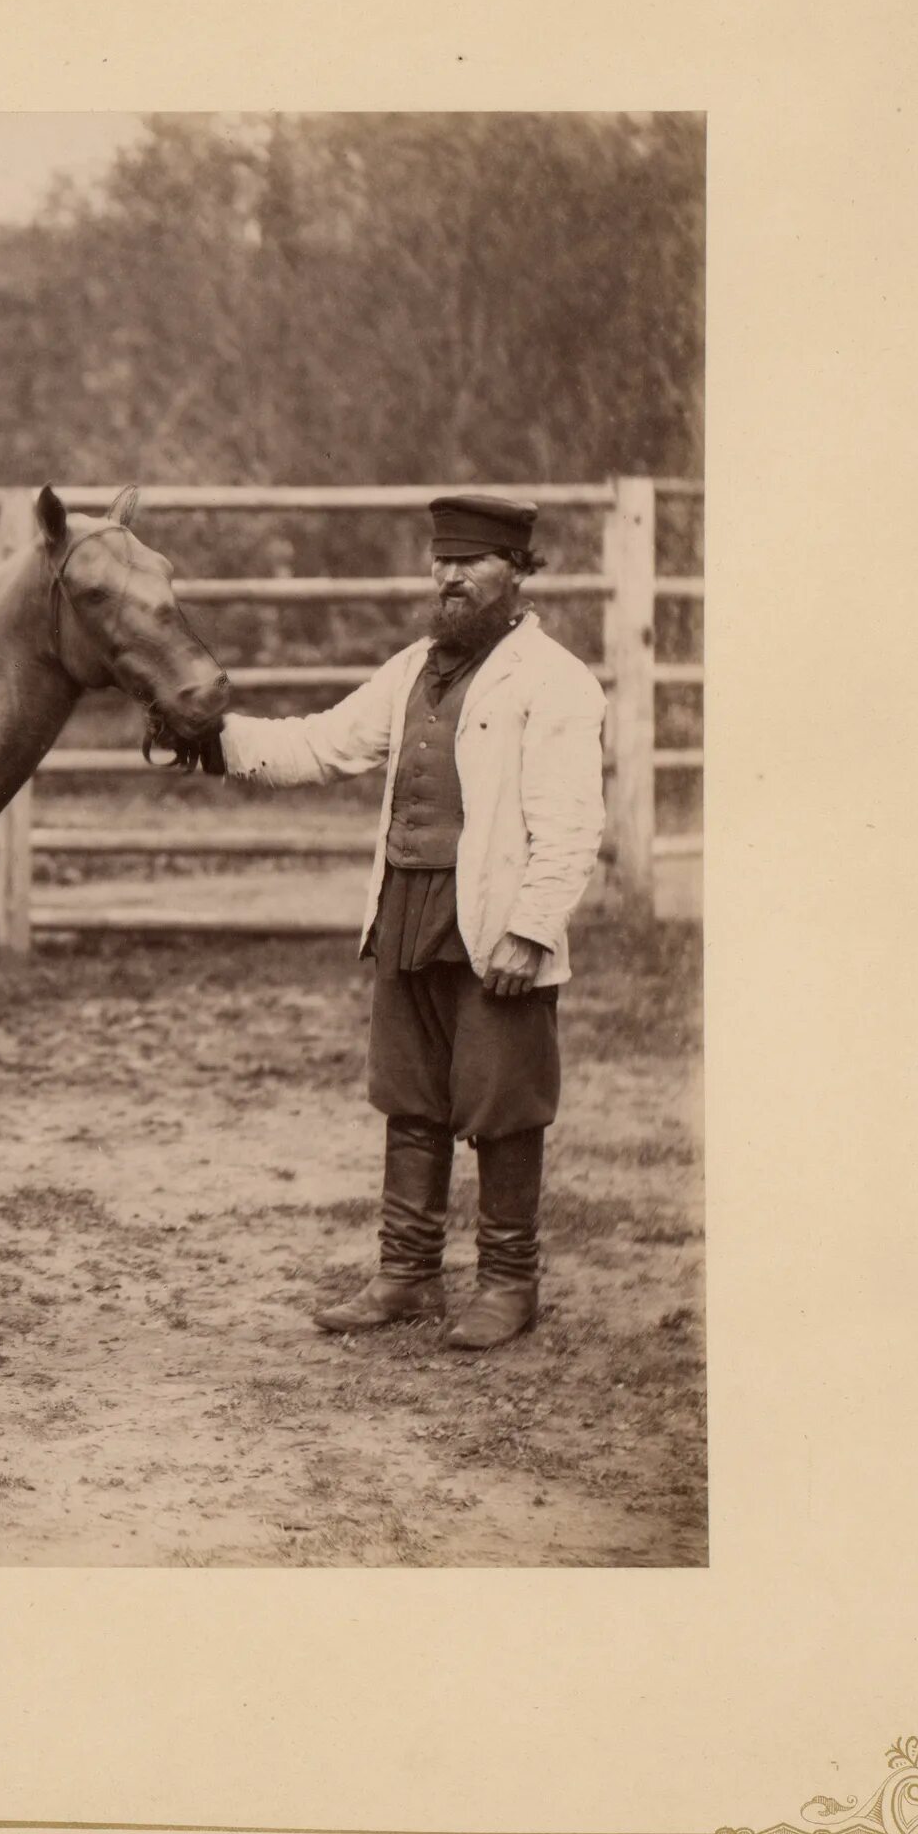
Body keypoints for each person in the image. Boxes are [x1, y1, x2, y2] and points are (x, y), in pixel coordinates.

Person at [197, 492, 608, 1349]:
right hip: (407, 909)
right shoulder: (414, 666)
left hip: (493, 920)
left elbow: (572, 823)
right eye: (442, 562)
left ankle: (507, 1284)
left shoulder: (555, 680)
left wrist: (531, 930)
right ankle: (408, 1276)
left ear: (518, 573)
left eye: (473, 563)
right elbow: (323, 745)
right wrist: (214, 737)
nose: (451, 577)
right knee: (411, 1100)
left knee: (503, 1104)